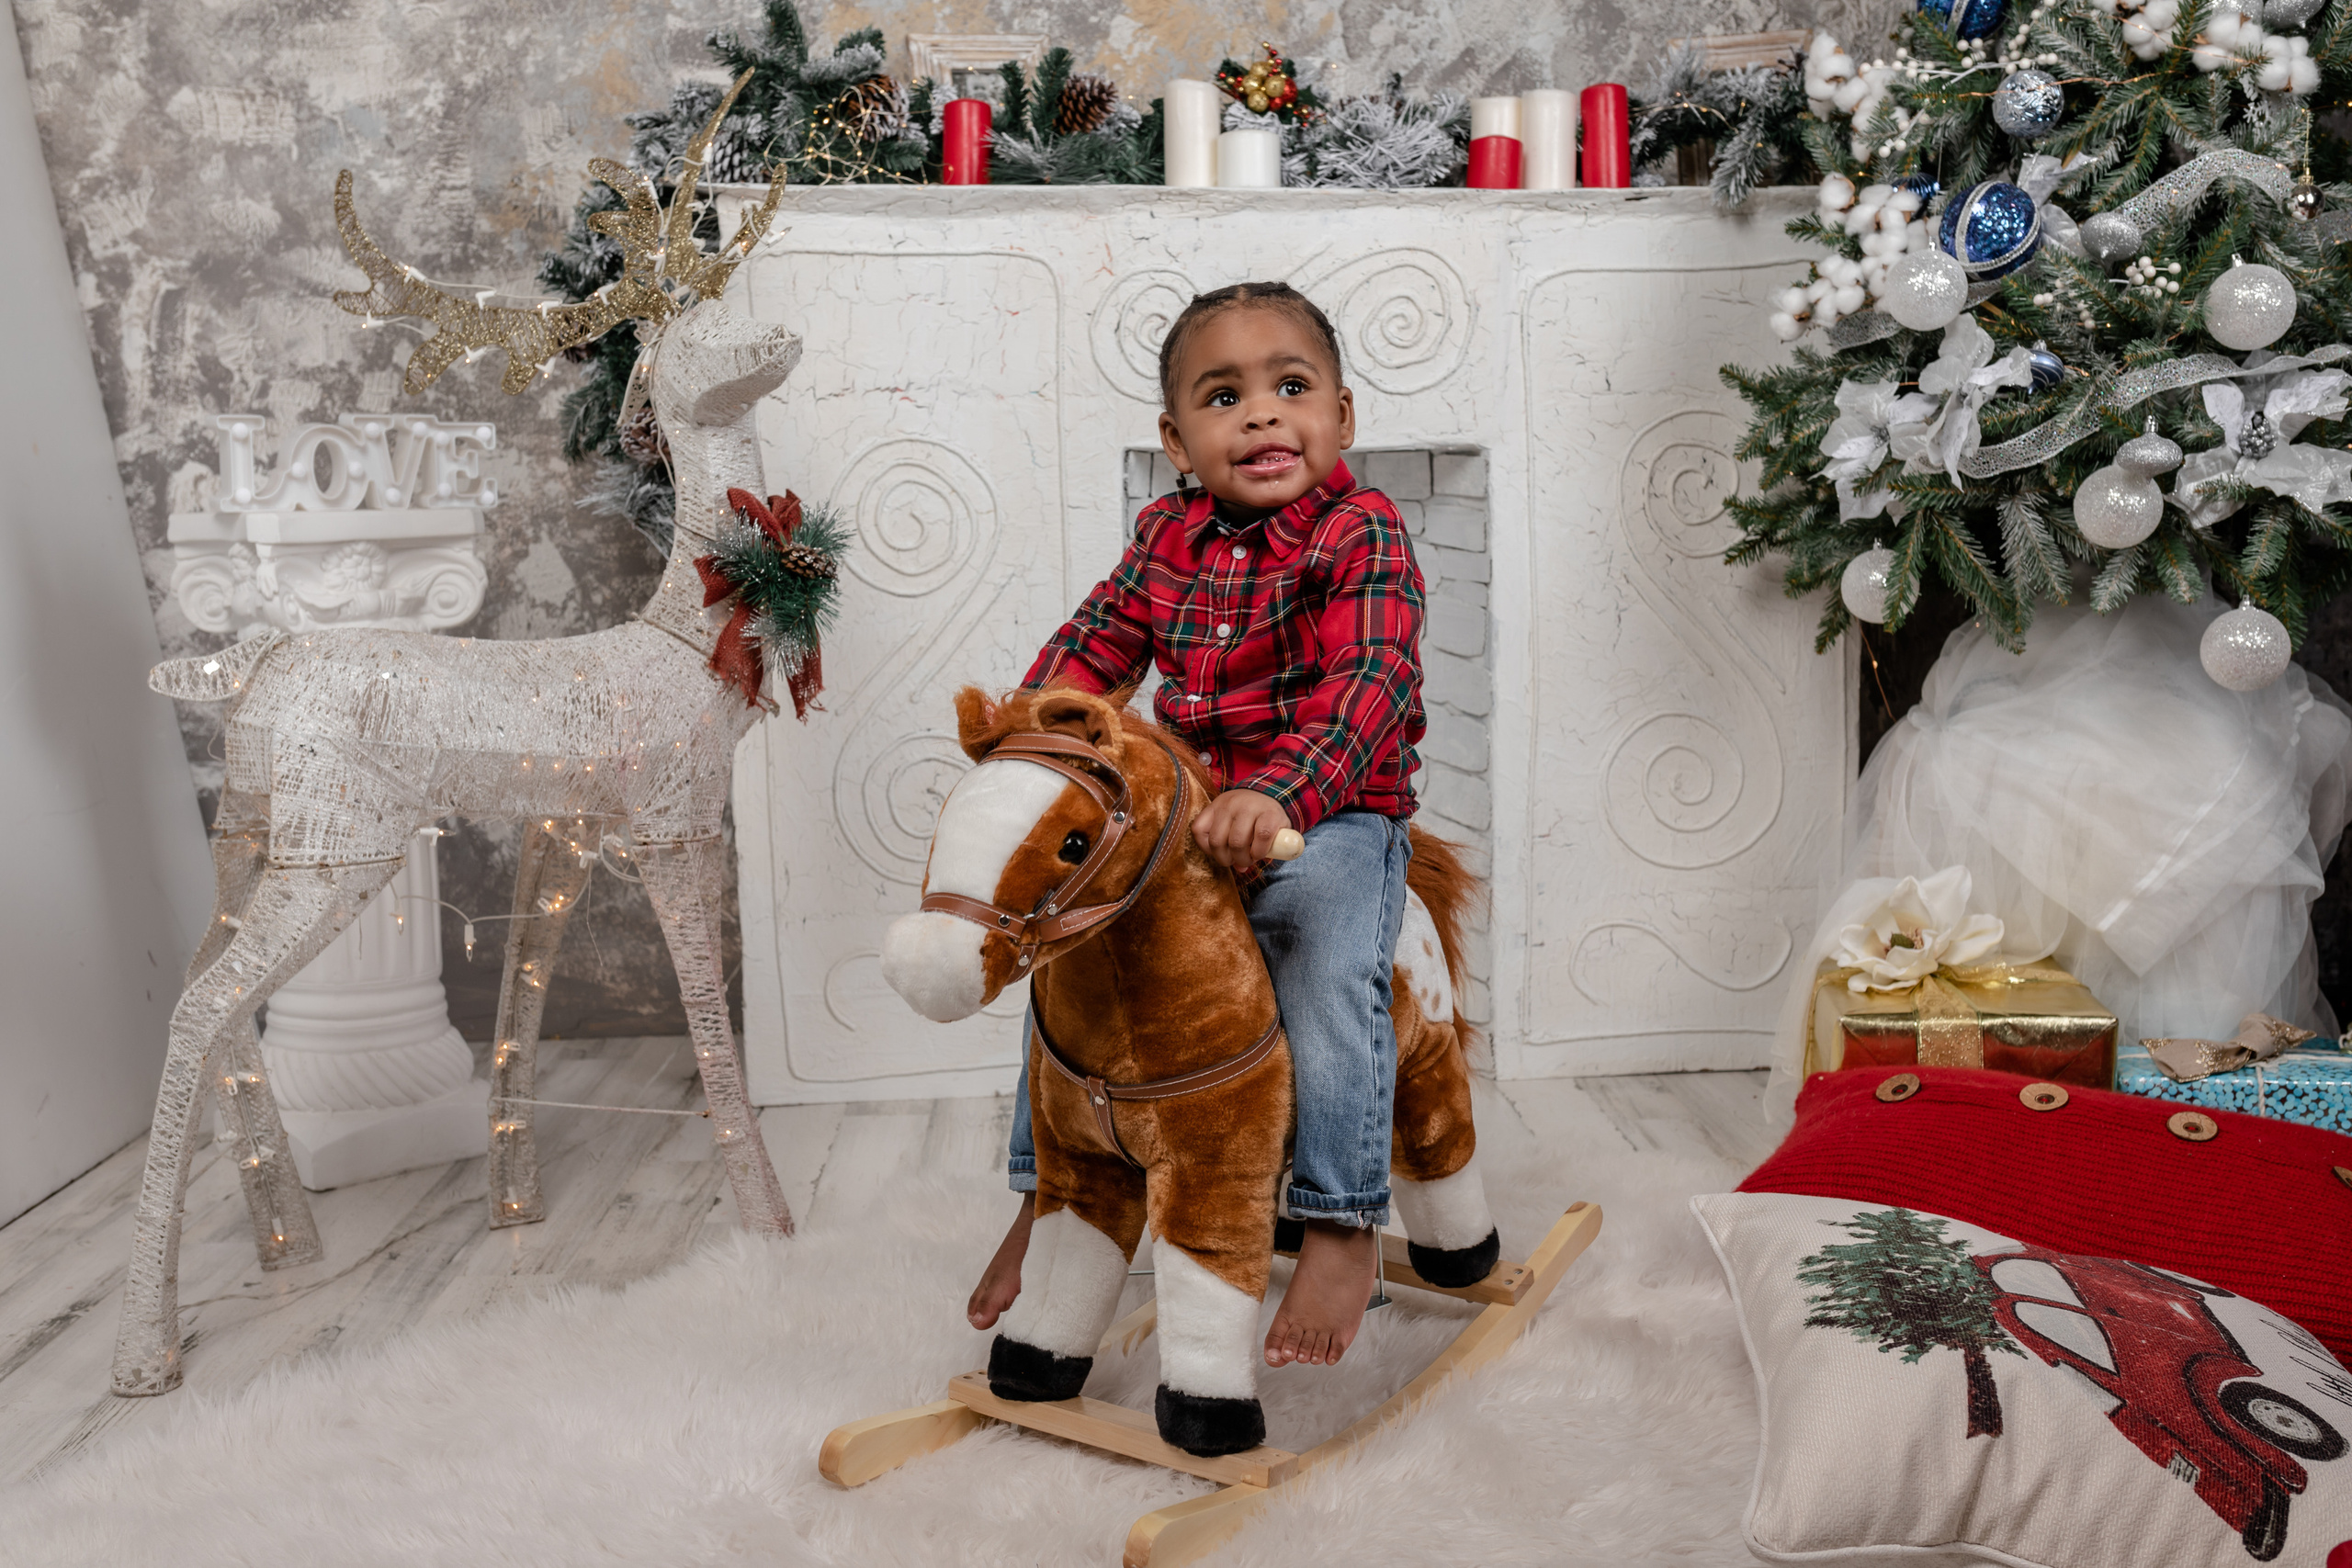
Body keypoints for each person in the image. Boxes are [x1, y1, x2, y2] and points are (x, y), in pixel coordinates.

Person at [966, 280, 1428, 1370]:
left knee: (1316, 943)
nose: (1262, 416)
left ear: (1343, 417)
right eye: (1225, 397)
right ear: (1178, 439)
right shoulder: (1167, 534)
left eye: (1291, 387)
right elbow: (1096, 644)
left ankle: (1337, 1216)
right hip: (1189, 820)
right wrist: (1032, 739)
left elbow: (1369, 680)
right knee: (1074, 947)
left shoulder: (1362, 533)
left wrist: (1280, 794)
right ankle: (1054, 1192)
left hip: (1332, 811)